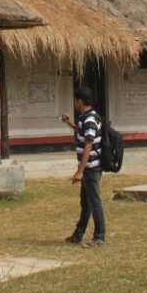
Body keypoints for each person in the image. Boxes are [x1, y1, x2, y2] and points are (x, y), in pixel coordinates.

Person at [61, 86, 106, 248]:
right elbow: (82, 132)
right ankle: (78, 234)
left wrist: (80, 170)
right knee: (86, 202)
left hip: (91, 168)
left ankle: (99, 237)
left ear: (80, 101)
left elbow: (88, 143)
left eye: (75, 100)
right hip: (88, 168)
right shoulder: (86, 117)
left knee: (94, 202)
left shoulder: (90, 119)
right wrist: (70, 123)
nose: (74, 103)